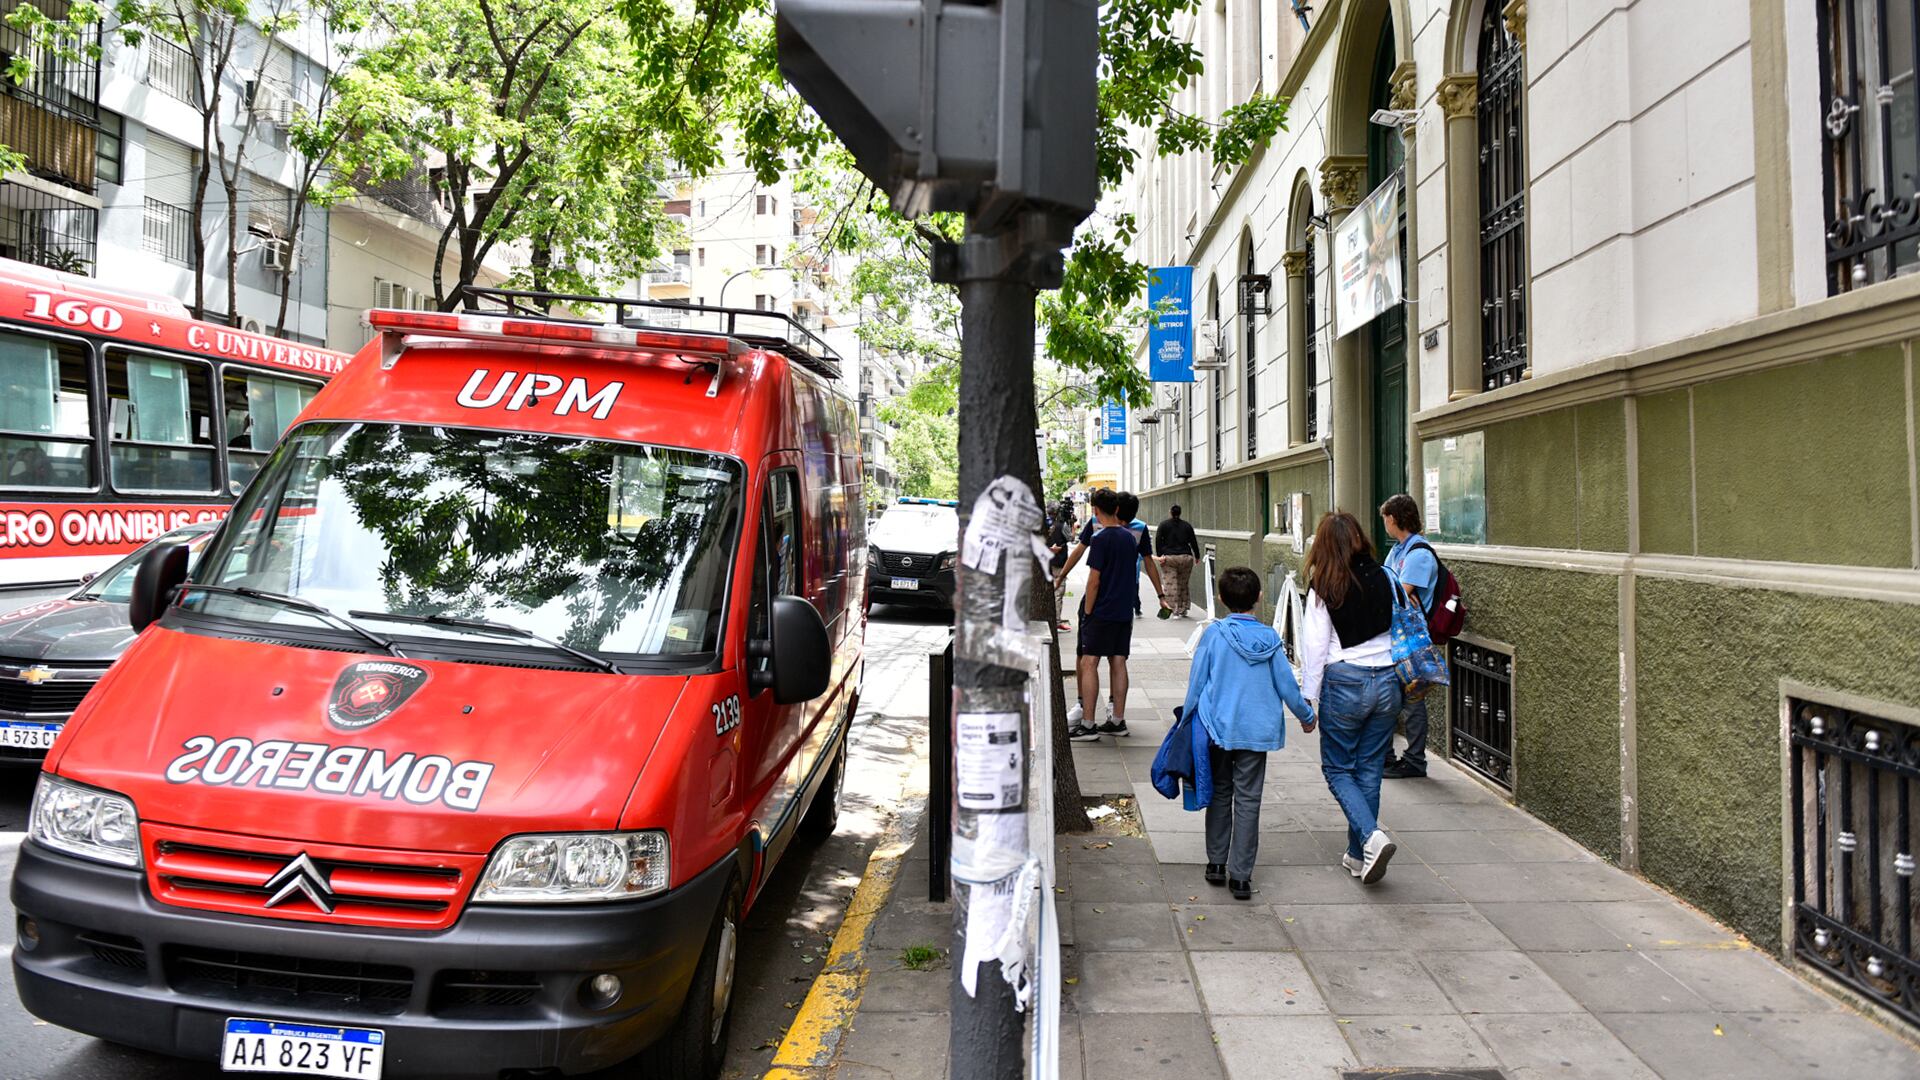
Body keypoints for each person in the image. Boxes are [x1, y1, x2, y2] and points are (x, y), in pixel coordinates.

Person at [1180, 566, 1316, 899]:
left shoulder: (1214, 635)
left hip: (1218, 728)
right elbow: (1287, 685)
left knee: (1220, 793)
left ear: (1222, 599)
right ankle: (1240, 876)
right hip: (1255, 732)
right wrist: (1307, 715)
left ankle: (1215, 863)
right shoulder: (1270, 639)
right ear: (1257, 598)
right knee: (1249, 800)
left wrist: (1185, 719)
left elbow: (1197, 682)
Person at [1299, 511, 1402, 885]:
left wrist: (1307, 700)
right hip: (1388, 681)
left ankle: (1372, 837)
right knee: (1370, 768)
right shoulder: (1384, 576)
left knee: (1338, 768)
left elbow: (1314, 647)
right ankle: (1359, 855)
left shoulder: (1324, 584)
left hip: (1346, 683)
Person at [1064, 489, 1143, 740]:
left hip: (1101, 610)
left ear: (1096, 510)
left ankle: (1088, 724)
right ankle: (1118, 721)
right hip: (1123, 610)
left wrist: (1088, 611)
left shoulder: (1100, 539)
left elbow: (1094, 581)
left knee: (1089, 662)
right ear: (1117, 509)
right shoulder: (1130, 538)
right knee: (1118, 661)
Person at [1379, 494, 1437, 779]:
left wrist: (1398, 594)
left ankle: (1415, 760)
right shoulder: (1399, 550)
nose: (1384, 524)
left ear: (1393, 518)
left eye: (1386, 518)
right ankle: (1388, 756)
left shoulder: (1419, 554)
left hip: (1413, 640)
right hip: (1397, 636)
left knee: (1413, 700)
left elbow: (1396, 592)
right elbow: (1388, 586)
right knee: (1393, 697)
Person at [1155, 504, 1200, 617]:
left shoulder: (1163, 525)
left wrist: (1160, 555)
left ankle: (1172, 609)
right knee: (1183, 583)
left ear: (1170, 512)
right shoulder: (1187, 526)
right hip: (1186, 557)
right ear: (1180, 513)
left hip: (1170, 558)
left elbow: (1158, 540)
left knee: (1170, 584)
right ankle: (1183, 608)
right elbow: (1193, 541)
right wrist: (1197, 556)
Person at [1047, 500, 1074, 631]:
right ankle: (1056, 622)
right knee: (1058, 592)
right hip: (1059, 563)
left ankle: (1051, 619)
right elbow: (1071, 538)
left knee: (1050, 591)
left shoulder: (1044, 524)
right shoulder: (1062, 525)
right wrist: (1073, 526)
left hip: (1046, 563)